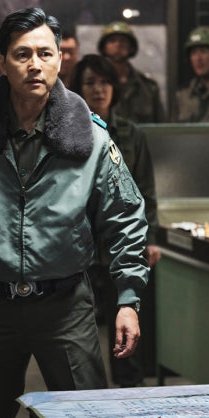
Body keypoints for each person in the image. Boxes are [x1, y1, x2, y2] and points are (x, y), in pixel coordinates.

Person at [0, 7, 149, 418]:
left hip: (66, 308)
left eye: (45, 53)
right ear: (2, 63)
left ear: (60, 60)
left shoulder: (90, 136)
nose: (34, 64)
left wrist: (128, 298)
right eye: (22, 54)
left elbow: (125, 218)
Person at [68, 54, 160, 387]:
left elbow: (145, 190)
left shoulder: (131, 133)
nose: (98, 90)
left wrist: (150, 239)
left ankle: (129, 394)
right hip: (80, 246)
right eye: (90, 82)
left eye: (105, 82)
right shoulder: (67, 131)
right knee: (79, 335)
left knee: (126, 327)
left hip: (119, 244)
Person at [98, 21, 166, 122]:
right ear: (104, 47)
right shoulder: (95, 86)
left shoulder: (148, 87)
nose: (118, 44)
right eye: (112, 41)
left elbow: (160, 126)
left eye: (123, 41)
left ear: (131, 47)